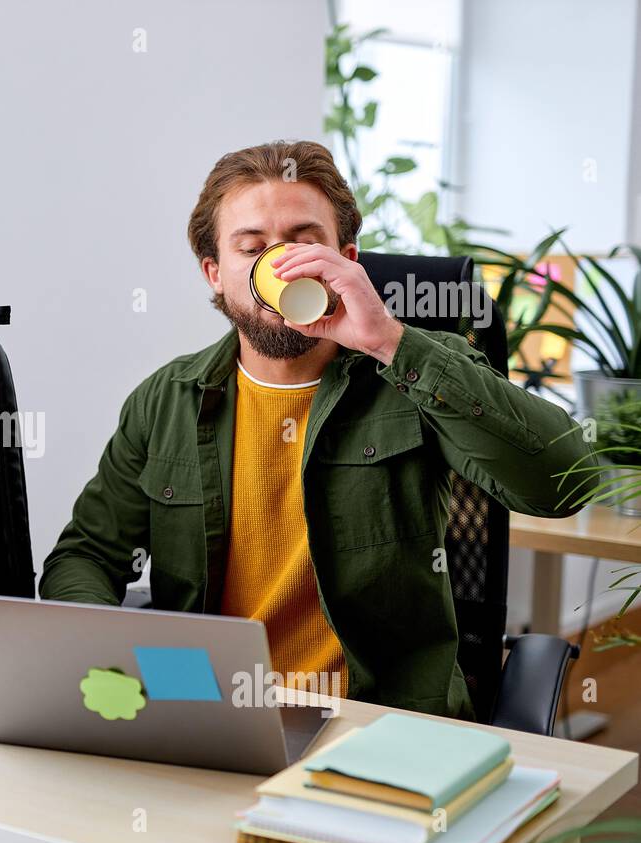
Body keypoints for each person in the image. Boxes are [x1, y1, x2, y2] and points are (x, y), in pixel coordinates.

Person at [39, 140, 595, 719]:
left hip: (377, 722)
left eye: (304, 245)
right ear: (216, 274)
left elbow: (567, 481)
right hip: (208, 712)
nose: (281, 266)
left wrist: (389, 341)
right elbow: (86, 557)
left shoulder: (414, 372)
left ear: (347, 259)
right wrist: (102, 656)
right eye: (252, 248)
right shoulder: (167, 402)